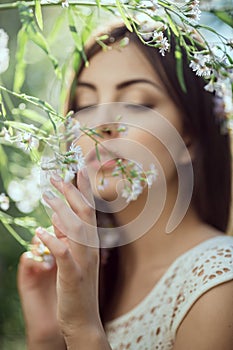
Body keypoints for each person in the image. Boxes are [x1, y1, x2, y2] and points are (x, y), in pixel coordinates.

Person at [17, 23, 233, 350]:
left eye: (136, 103)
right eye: (86, 104)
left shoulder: (218, 284)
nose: (99, 126)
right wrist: (47, 336)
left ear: (188, 136)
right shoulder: (92, 281)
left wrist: (82, 328)